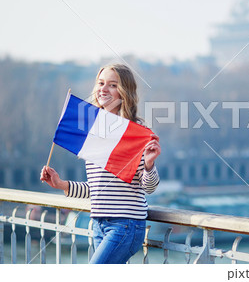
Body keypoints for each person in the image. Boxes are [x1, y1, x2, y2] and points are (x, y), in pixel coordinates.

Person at [40, 63, 161, 264]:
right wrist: (61, 185)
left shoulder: (136, 131)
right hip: (98, 224)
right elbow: (97, 189)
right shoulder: (93, 129)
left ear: (124, 92)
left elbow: (149, 187)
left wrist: (149, 165)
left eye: (112, 85)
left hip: (125, 225)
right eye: (101, 83)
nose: (103, 89)